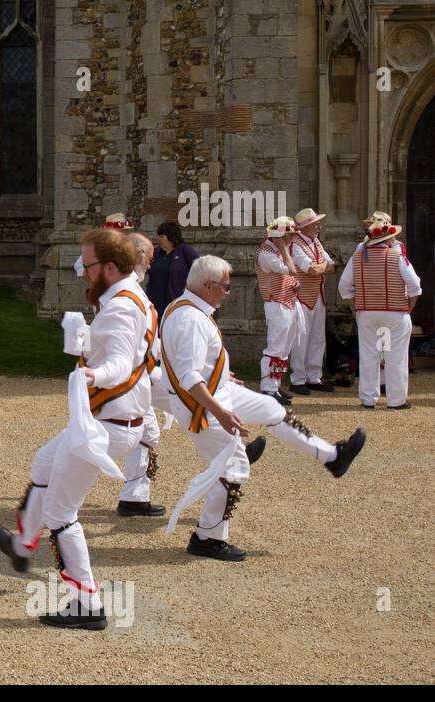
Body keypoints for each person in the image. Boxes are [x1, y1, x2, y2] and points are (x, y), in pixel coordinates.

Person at [0, 229, 155, 630]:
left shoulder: (119, 308)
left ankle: (87, 602)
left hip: (104, 426)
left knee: (62, 511)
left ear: (111, 267)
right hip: (112, 420)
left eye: (88, 264)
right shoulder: (133, 297)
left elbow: (119, 363)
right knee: (43, 463)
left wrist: (92, 373)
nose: (81, 271)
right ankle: (22, 543)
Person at [158, 255, 366, 561]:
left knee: (272, 408)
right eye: (226, 288)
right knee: (232, 469)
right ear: (208, 286)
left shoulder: (185, 308)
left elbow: (182, 360)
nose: (229, 293)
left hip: (217, 390)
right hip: (202, 405)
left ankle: (331, 457)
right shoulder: (190, 319)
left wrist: (219, 371)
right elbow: (188, 376)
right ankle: (207, 537)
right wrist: (221, 412)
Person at [339, 215, 422, 409]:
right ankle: (396, 400)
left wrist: (357, 303)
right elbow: (415, 286)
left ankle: (368, 399)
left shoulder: (357, 256)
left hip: (367, 313)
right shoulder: (397, 256)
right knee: (396, 356)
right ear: (387, 239)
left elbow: (344, 287)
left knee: (369, 355)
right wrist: (409, 306)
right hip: (395, 313)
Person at [116, 230, 169, 517]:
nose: (151, 264)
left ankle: (134, 497)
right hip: (133, 376)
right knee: (119, 434)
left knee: (146, 431)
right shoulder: (124, 289)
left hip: (143, 372)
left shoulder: (129, 285)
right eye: (149, 257)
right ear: (137, 257)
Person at [255, 216, 302, 405]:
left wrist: (294, 284)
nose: (291, 239)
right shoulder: (266, 253)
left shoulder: (274, 251)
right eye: (288, 236)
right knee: (275, 347)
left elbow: (289, 276)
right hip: (276, 303)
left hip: (285, 301)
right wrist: (282, 246)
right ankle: (268, 388)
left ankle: (275, 384)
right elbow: (291, 269)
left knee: (283, 348)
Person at [288, 208, 335, 395]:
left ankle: (314, 377)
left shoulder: (316, 242)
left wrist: (321, 267)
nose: (319, 227)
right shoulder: (296, 244)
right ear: (305, 227)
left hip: (317, 295)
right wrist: (322, 267)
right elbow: (311, 269)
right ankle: (297, 379)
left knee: (317, 338)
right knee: (301, 339)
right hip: (301, 297)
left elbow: (332, 266)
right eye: (315, 224)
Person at [147, 221, 198, 314]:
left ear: (171, 236)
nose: (159, 239)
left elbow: (199, 272)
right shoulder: (157, 252)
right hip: (155, 303)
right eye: (159, 236)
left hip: (176, 304)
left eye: (162, 236)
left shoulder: (186, 251)